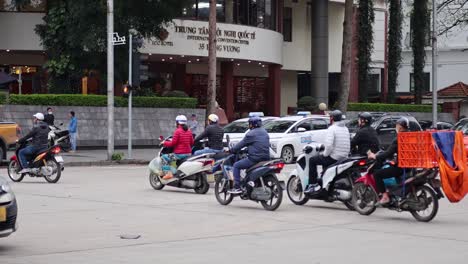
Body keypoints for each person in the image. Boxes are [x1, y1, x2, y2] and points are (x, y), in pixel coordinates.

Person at [305, 110, 350, 194]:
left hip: (334, 157)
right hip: (344, 157)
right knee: (324, 161)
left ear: (332, 118)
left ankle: (312, 184)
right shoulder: (345, 128)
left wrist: (325, 154)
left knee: (312, 160)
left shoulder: (332, 128)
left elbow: (329, 146)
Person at [367, 117, 409, 205]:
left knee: (377, 174)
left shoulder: (399, 139)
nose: (396, 128)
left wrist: (375, 156)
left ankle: (385, 196)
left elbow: (388, 153)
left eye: (397, 126)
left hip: (401, 168)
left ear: (400, 127)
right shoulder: (411, 136)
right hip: (412, 167)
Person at [229, 116, 270, 194]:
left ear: (252, 124)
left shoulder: (251, 134)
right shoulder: (265, 132)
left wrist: (232, 150)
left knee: (236, 165)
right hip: (266, 158)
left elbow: (240, 144)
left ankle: (237, 187)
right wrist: (247, 150)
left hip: (255, 158)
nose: (249, 125)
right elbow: (258, 145)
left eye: (250, 124)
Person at [162, 115, 194, 180]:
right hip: (188, 153)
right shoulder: (189, 131)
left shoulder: (178, 131)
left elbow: (173, 143)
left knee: (164, 157)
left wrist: (164, 143)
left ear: (178, 122)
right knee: (173, 159)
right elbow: (192, 142)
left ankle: (169, 173)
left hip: (179, 154)